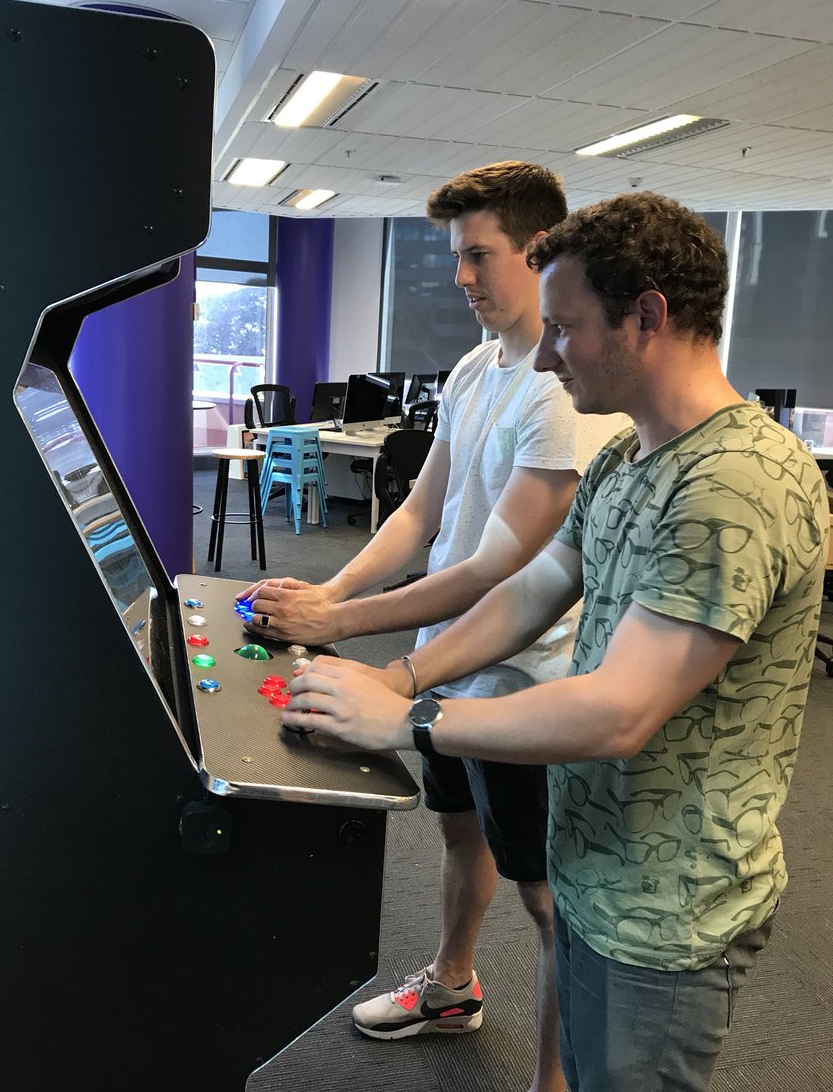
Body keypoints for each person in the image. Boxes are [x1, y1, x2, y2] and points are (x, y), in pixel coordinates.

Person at [282, 191, 830, 1092]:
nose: (545, 354)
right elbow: (529, 592)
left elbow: (619, 711)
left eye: (566, 329)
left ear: (647, 316)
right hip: (595, 858)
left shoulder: (733, 482)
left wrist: (410, 721)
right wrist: (403, 676)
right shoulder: (626, 456)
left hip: (664, 903)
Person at [240, 161, 624, 1092]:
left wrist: (339, 618)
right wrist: (331, 590)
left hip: (525, 686)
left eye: (477, 255)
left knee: (548, 898)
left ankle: (552, 1081)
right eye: (456, 256)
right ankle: (453, 985)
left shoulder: (559, 394)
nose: (460, 276)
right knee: (459, 834)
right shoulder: (474, 368)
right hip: (449, 667)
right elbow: (420, 513)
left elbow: (494, 568)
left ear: (538, 251)